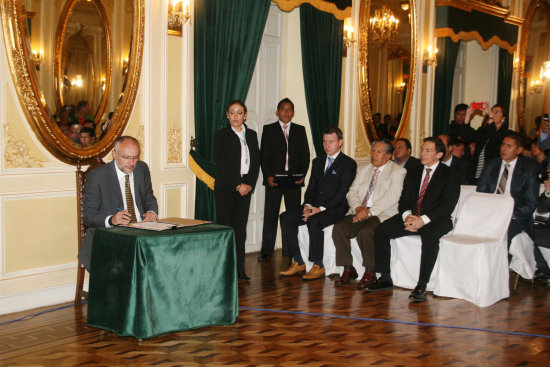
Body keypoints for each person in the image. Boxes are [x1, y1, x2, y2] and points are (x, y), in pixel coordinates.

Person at [366, 137, 460, 302]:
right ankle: (385, 278)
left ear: (439, 154)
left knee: (430, 237)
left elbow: (447, 205)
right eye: (422, 149)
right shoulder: (414, 171)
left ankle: (422, 284)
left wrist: (422, 220)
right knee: (381, 230)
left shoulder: (450, 174)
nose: (422, 153)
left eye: (427, 150)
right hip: (412, 216)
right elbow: (404, 200)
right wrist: (407, 216)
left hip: (436, 219)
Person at [279, 126, 356, 280]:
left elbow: (342, 194)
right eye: (325, 142)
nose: (327, 145)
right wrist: (307, 205)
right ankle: (298, 260)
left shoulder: (348, 164)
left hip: (335, 207)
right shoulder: (318, 161)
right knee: (286, 217)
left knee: (314, 221)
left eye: (331, 142)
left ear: (340, 142)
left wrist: (319, 209)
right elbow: (311, 187)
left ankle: (318, 264)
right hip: (314, 206)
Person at [332, 139, 406, 288]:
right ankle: (348, 268)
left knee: (366, 231)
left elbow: (392, 197)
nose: (374, 155)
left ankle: (370, 272)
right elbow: (352, 191)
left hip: (382, 214)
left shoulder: (398, 172)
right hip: (360, 211)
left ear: (388, 156)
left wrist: (369, 212)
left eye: (379, 152)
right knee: (339, 228)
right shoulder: (364, 169)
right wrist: (359, 208)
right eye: (373, 151)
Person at [78, 136, 158, 271]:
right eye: (127, 157)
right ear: (114, 154)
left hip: (141, 231)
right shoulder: (97, 177)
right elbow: (89, 216)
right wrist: (112, 219)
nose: (131, 163)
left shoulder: (142, 169)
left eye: (135, 157)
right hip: (110, 236)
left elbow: (149, 196)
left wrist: (152, 212)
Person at [258, 98, 310, 262]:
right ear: (277, 112)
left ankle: (292, 251)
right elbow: (264, 156)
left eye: (289, 109)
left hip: (293, 181)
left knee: (293, 216)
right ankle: (266, 250)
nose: (286, 112)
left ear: (293, 113)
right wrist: (268, 176)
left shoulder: (300, 130)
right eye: (283, 109)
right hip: (274, 180)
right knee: (270, 215)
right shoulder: (269, 129)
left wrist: (302, 176)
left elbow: (305, 156)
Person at [214, 100, 260, 281]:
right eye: (232, 113)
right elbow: (221, 164)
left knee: (240, 231)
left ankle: (239, 270)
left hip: (245, 189)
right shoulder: (221, 135)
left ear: (245, 115)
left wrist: (248, 185)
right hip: (226, 188)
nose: (235, 116)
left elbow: (256, 162)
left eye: (239, 113)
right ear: (227, 115)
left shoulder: (253, 135)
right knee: (226, 229)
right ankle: (225, 271)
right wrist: (237, 184)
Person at [477, 132, 540, 246]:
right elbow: (481, 194)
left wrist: (509, 214)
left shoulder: (529, 168)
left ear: (519, 150)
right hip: (490, 212)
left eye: (509, 146)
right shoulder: (490, 165)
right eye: (503, 145)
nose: (504, 149)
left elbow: (531, 202)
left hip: (514, 216)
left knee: (499, 239)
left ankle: (500, 263)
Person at [469, 103, 512, 184]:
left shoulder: (507, 134)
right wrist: (468, 115)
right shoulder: (484, 131)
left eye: (496, 112)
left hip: (492, 175)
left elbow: (495, 138)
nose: (493, 114)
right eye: (492, 112)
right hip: (476, 174)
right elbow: (467, 137)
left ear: (503, 118)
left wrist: (490, 117)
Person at [533, 170, 550, 282]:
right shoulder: (545, 193)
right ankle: (543, 268)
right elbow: (540, 214)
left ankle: (543, 269)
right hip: (546, 230)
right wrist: (548, 194)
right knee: (525, 231)